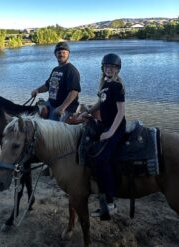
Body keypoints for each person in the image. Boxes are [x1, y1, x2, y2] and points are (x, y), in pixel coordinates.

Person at [78, 53, 126, 221]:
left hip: (116, 127)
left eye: (112, 67)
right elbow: (101, 103)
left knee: (102, 159)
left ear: (117, 69)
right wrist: (87, 112)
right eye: (106, 67)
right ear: (103, 69)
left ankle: (111, 203)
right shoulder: (105, 84)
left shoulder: (117, 86)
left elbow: (121, 111)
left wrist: (111, 132)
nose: (109, 69)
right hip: (106, 125)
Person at [31, 41, 81, 122]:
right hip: (51, 104)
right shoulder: (55, 69)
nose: (61, 54)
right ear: (55, 54)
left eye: (64, 52)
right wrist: (37, 90)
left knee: (50, 129)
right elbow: (48, 85)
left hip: (66, 108)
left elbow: (74, 92)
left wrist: (62, 108)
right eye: (59, 52)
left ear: (68, 54)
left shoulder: (71, 70)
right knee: (34, 117)